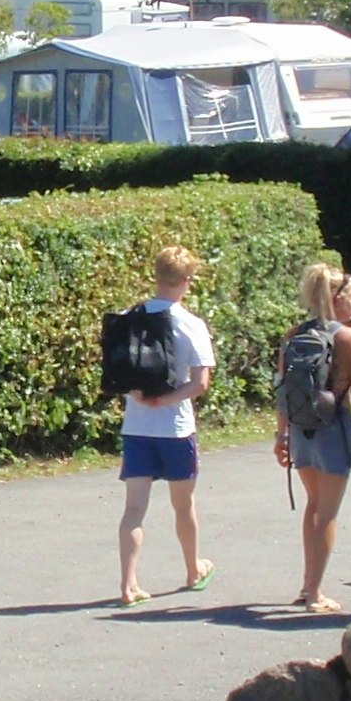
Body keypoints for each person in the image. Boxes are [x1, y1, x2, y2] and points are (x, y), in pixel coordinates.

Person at [271, 261, 351, 614]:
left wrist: (281, 435)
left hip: (300, 428)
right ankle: (314, 594)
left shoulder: (293, 334)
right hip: (333, 427)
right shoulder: (350, 338)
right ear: (336, 298)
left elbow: (283, 390)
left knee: (313, 504)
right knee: (327, 511)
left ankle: (307, 584)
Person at [113, 244, 216, 607]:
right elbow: (200, 382)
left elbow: (116, 371)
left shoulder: (129, 316)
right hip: (175, 428)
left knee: (134, 510)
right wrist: (165, 400)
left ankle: (128, 584)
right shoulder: (190, 324)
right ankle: (192, 569)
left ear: (156, 275)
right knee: (183, 505)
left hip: (136, 427)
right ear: (186, 280)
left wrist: (143, 397)